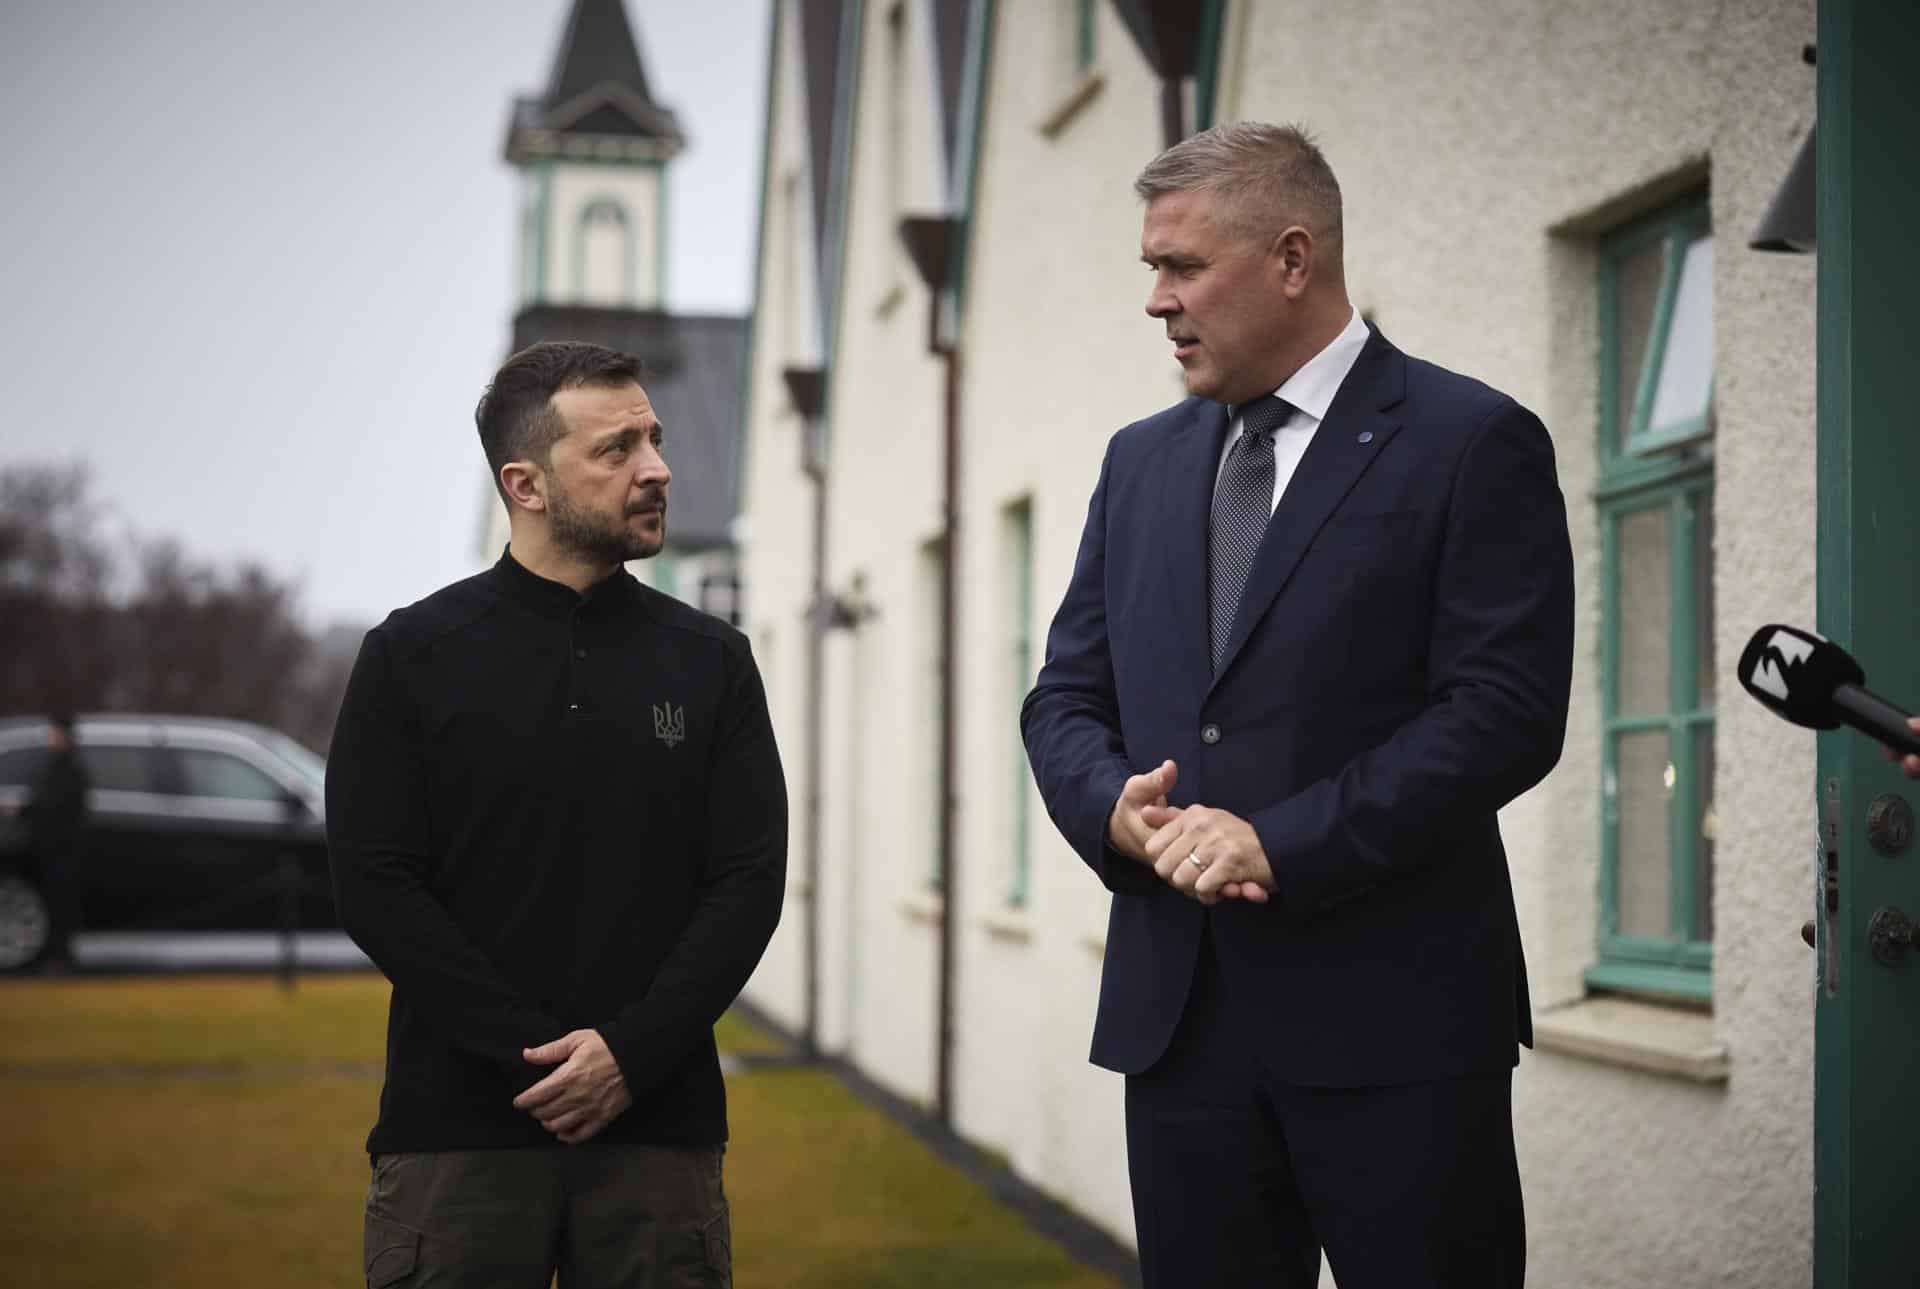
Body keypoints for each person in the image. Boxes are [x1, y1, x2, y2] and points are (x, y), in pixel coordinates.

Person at [1021, 123, 1574, 1289]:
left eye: (1182, 267)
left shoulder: (1471, 441)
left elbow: (1506, 710)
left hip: (1400, 1031)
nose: (1157, 301)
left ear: (1290, 257)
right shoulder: (1140, 463)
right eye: (1149, 272)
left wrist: (1284, 839)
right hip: (1180, 1030)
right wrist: (1106, 808)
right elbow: (1066, 695)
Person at [327, 341, 787, 1288]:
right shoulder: (412, 656)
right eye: (617, 449)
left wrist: (631, 1053)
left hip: (660, 1137)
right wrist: (532, 1058)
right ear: (525, 483)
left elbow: (749, 879)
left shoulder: (712, 662)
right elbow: (375, 884)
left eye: (654, 439)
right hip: (455, 1139)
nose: (658, 468)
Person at [24, 712, 88, 971]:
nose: (51, 739)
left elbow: (67, 810)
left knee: (61, 904)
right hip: (47, 848)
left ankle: (60, 955)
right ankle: (52, 954)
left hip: (62, 849)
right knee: (49, 904)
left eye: (55, 734)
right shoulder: (50, 767)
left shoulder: (70, 771)